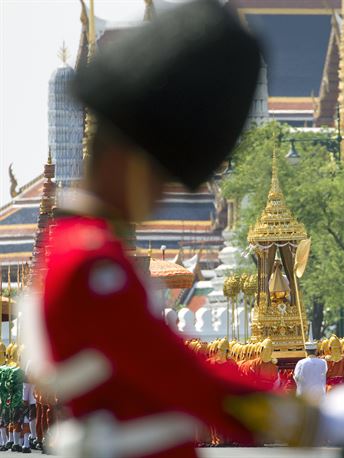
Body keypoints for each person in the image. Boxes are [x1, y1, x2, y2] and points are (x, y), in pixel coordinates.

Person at [20, 2, 326, 456]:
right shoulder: (92, 263)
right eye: (160, 175)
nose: (161, 196)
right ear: (128, 162)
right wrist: (301, 418)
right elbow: (174, 373)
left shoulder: (83, 250)